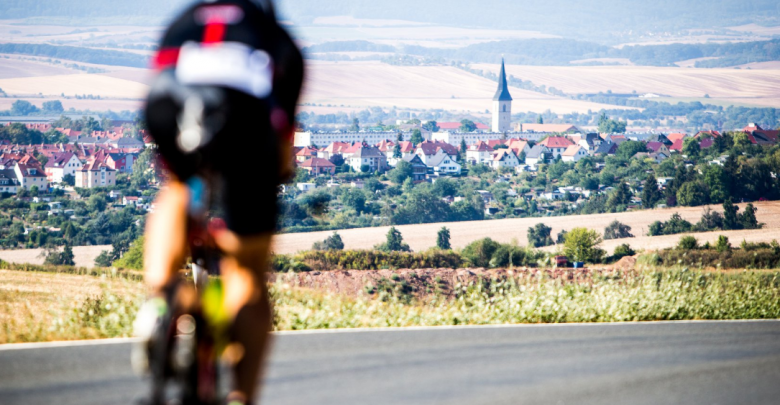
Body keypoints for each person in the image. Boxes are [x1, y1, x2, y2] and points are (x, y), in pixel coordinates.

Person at [141, 0, 303, 403]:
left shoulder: (183, 19)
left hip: (168, 104)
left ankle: (163, 292)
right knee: (248, 271)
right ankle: (240, 397)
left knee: (178, 185)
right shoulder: (279, 40)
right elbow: (283, 148)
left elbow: (159, 76)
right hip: (243, 118)